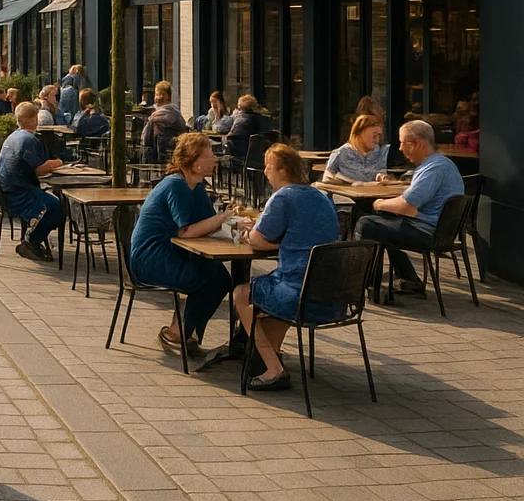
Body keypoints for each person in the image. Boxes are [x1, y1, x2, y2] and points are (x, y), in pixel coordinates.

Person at [231, 144, 340, 391]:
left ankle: (272, 368)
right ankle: (267, 352)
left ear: (282, 170)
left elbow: (258, 240)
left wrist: (250, 233)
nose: (266, 172)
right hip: (334, 294)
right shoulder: (320, 196)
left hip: (300, 294)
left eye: (269, 167)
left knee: (242, 294)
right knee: (272, 286)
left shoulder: (283, 197)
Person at [128, 133, 233, 360]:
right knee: (207, 277)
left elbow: (208, 225)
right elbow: (185, 231)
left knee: (221, 278)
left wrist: (237, 227)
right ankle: (181, 332)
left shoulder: (196, 186)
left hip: (171, 252)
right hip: (150, 258)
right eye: (210, 155)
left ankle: (184, 332)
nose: (215, 160)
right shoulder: (176, 185)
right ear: (195, 163)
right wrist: (222, 218)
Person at [355, 119, 465, 296]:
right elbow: (417, 196)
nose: (399, 148)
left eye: (402, 143)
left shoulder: (433, 169)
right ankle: (408, 278)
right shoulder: (441, 164)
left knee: (366, 224)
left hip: (428, 233)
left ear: (417, 144)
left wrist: (378, 204)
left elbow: (407, 206)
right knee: (384, 224)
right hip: (440, 232)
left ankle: (362, 285)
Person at [0, 102, 66, 262]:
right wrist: (57, 163)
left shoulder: (14, 136)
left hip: (7, 192)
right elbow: (39, 169)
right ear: (33, 120)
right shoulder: (28, 140)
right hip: (20, 194)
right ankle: (32, 240)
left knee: (53, 204)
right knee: (56, 206)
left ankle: (34, 236)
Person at [324, 114, 386, 184]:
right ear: (360, 132)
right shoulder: (342, 153)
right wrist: (350, 183)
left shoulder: (377, 151)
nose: (377, 140)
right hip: (347, 193)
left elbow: (380, 173)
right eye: (374, 136)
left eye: (379, 136)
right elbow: (327, 178)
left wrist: (382, 177)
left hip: (374, 193)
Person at [142, 81, 188, 163]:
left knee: (150, 124)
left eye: (156, 94)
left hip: (169, 148)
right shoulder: (170, 110)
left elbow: (153, 120)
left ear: (162, 95)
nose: (155, 97)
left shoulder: (168, 111)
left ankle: (147, 157)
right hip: (169, 146)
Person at [224, 94, 274, 160]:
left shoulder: (241, 121)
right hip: (260, 157)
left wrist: (224, 139)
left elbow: (232, 140)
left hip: (243, 157)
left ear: (240, 108)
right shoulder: (264, 119)